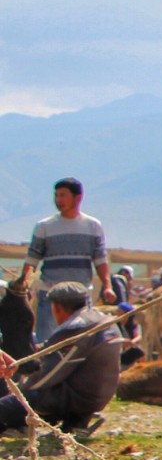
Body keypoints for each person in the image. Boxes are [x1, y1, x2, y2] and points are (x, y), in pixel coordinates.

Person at [0, 282, 123, 433]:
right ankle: (74, 422)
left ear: (57, 307)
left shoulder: (75, 329)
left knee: (20, 399)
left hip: (75, 398)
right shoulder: (102, 321)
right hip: (95, 398)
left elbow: (45, 377)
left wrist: (16, 390)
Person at [17, 178, 112, 345]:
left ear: (78, 198)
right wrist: (24, 284)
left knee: (81, 344)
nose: (58, 200)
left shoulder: (93, 226)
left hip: (80, 297)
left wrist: (107, 286)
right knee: (48, 344)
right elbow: (32, 260)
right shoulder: (44, 226)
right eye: (56, 196)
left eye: (63, 195)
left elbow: (100, 260)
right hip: (51, 296)